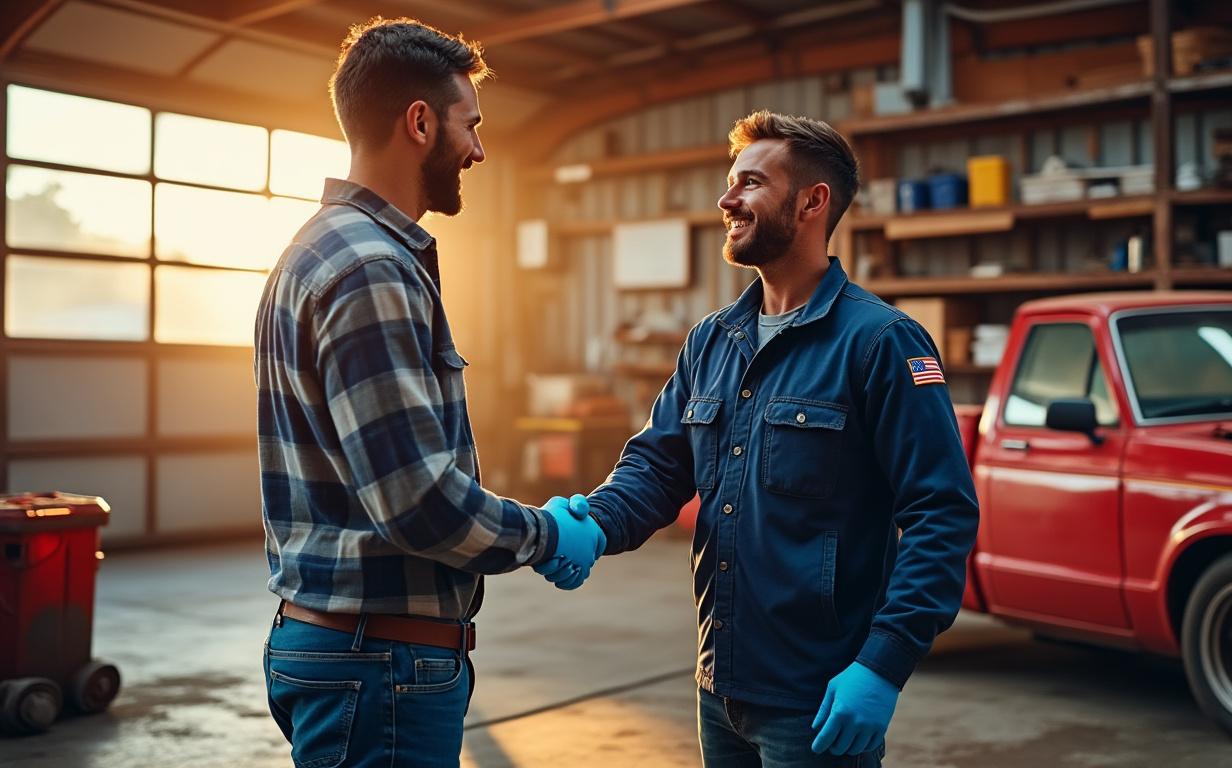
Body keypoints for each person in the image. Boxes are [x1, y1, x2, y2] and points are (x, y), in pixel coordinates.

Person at [544, 111, 979, 766]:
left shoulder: (881, 342)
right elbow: (659, 466)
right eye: (731, 183)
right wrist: (596, 523)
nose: (727, 200)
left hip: (819, 698)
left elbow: (941, 513)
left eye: (750, 182)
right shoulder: (713, 339)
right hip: (719, 685)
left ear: (811, 202)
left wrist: (883, 665)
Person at [253, 18, 604, 768]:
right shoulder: (371, 268)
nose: (478, 150)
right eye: (469, 124)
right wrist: (546, 533)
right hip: (380, 660)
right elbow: (417, 503)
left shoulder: (313, 249)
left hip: (340, 645)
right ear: (419, 123)